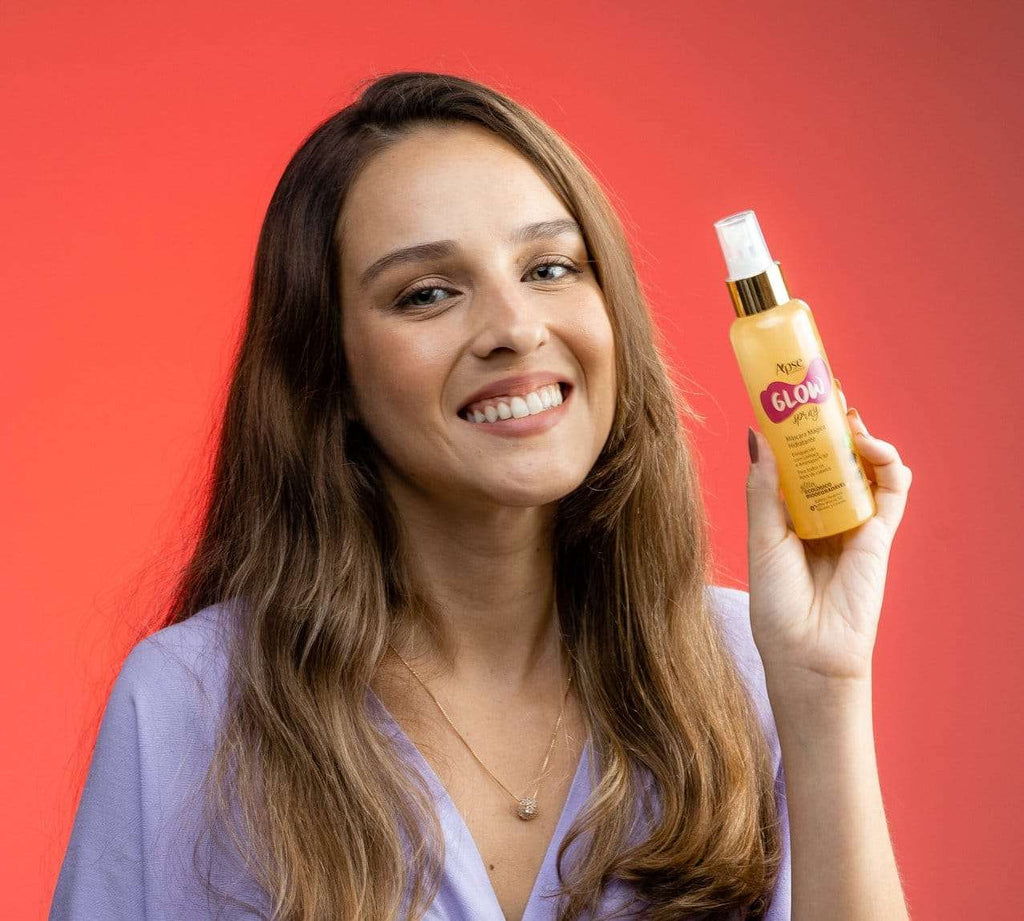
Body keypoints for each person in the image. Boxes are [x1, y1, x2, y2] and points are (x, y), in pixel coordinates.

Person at [49, 71, 912, 921]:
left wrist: (825, 687)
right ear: (328, 369)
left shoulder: (752, 666)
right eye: (428, 293)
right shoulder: (190, 703)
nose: (514, 328)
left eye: (550, 268)